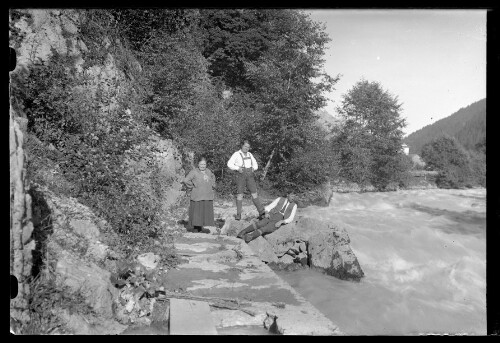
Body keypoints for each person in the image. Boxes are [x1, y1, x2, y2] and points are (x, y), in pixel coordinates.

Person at [227, 140, 265, 220]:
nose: (246, 148)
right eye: (245, 146)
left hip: (250, 175)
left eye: (248, 147)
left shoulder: (250, 154)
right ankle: (238, 215)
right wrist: (237, 168)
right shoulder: (236, 154)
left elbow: (255, 164)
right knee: (240, 194)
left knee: (254, 193)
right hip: (241, 175)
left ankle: (261, 212)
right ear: (242, 146)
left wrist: (253, 169)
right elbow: (229, 164)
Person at [182, 156, 216, 234]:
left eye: (204, 164)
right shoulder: (194, 172)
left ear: (206, 164)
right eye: (201, 164)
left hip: (207, 195)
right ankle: (195, 228)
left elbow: (213, 177)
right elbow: (186, 180)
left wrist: (212, 185)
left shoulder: (208, 171)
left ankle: (201, 227)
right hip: (197, 196)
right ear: (198, 164)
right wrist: (193, 186)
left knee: (203, 212)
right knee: (197, 212)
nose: (203, 166)